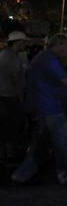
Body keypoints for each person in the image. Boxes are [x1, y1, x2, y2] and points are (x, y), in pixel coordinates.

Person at [11, 34, 67, 184]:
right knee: (61, 143)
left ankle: (21, 175)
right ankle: (66, 175)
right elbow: (66, 80)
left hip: (44, 106)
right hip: (51, 107)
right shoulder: (49, 59)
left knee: (41, 145)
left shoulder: (45, 57)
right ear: (58, 44)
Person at [0, 31, 28, 164]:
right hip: (9, 97)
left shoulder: (5, 54)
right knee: (13, 126)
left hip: (5, 96)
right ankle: (12, 156)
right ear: (17, 43)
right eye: (23, 42)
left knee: (8, 126)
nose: (25, 44)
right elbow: (15, 80)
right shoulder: (11, 57)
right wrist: (21, 97)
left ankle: (8, 154)